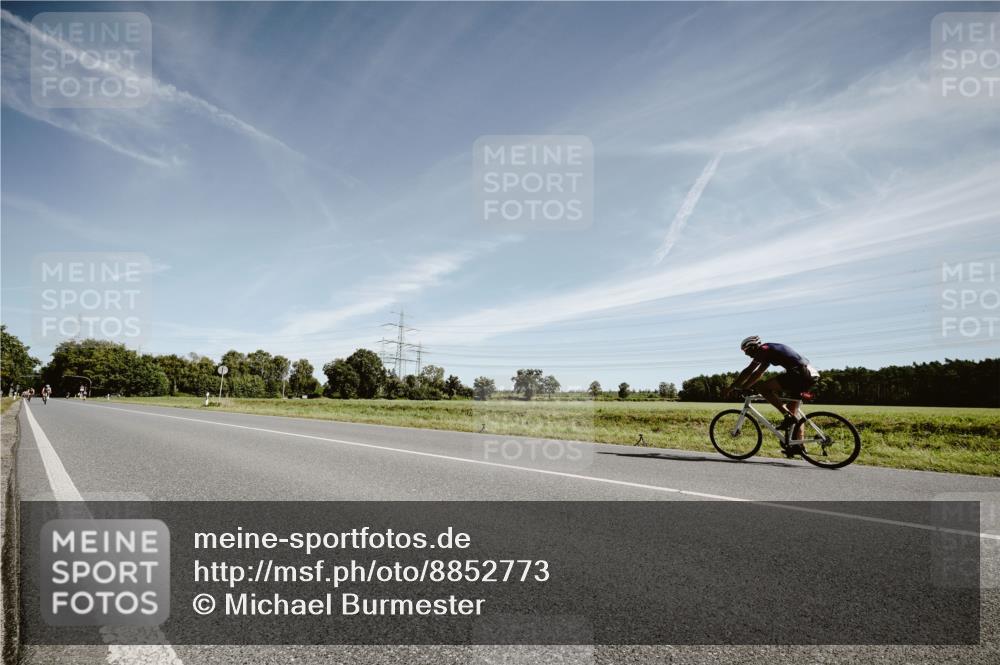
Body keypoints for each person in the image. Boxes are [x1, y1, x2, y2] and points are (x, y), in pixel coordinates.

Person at [725, 336, 820, 449]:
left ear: (754, 347)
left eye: (747, 351)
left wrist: (731, 387)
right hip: (809, 374)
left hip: (799, 374)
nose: (746, 354)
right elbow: (759, 373)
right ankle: (798, 445)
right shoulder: (768, 351)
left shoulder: (763, 349)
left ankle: (787, 416)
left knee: (763, 388)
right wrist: (745, 387)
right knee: (793, 413)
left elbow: (749, 370)